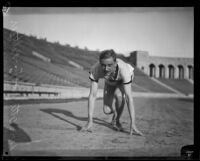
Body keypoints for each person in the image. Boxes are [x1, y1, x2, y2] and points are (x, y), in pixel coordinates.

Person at [81, 49, 143, 136]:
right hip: (110, 81)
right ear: (100, 63)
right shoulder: (95, 69)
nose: (106, 69)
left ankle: (117, 121)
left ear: (115, 63)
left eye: (109, 65)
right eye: (103, 65)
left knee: (119, 96)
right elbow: (92, 95)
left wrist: (133, 123)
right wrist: (90, 121)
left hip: (122, 80)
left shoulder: (124, 69)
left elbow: (129, 98)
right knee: (106, 110)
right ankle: (115, 113)